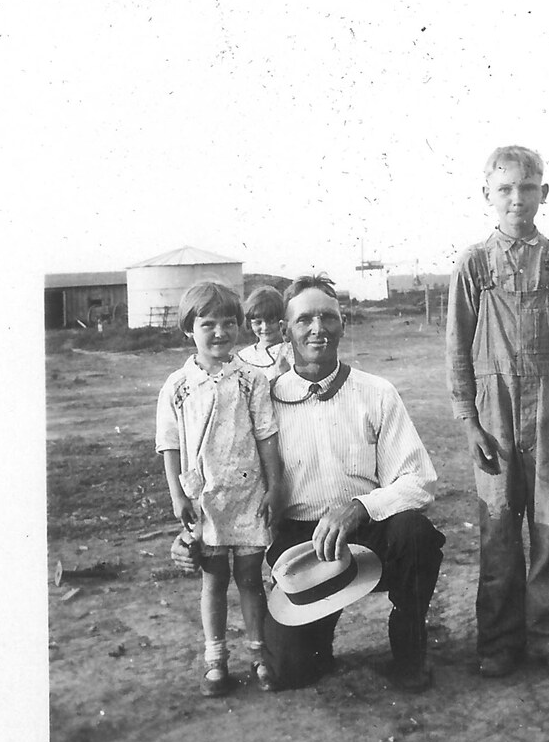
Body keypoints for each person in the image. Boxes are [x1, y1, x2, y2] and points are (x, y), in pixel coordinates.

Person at [446, 145, 549, 679]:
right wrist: (469, 423)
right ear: (487, 194)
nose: (516, 198)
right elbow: (457, 347)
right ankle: (500, 640)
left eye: (527, 187)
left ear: (544, 193)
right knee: (497, 526)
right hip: (494, 409)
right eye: (505, 188)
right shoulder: (474, 263)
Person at [262, 274, 445, 693]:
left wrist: (360, 506)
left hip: (367, 529)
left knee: (415, 533)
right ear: (286, 330)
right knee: (291, 673)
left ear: (343, 324)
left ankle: (409, 648)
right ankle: (313, 643)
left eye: (328, 317)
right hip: (301, 541)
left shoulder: (376, 392)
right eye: (304, 319)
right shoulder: (267, 400)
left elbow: (420, 481)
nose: (317, 329)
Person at [156, 281, 282, 697]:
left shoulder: (251, 380)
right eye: (208, 324)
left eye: (229, 323)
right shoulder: (177, 385)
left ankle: (260, 654)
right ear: (189, 329)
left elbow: (266, 435)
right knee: (213, 580)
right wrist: (178, 496)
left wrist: (274, 485)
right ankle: (216, 660)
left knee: (249, 577)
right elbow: (170, 444)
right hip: (204, 499)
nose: (220, 332)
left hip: (247, 495)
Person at [237, 285, 294, 381]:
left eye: (271, 321)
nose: (265, 327)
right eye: (258, 322)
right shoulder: (244, 357)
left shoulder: (292, 351)